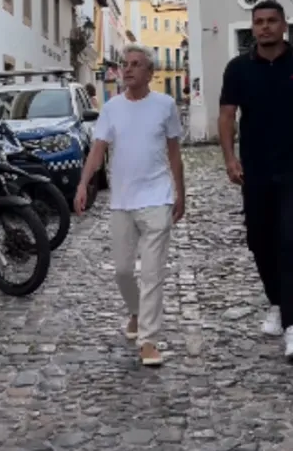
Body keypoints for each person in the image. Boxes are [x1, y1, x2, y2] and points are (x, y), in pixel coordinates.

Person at [218, 0, 293, 362]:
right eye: (259, 22)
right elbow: (227, 116)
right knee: (259, 240)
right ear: (252, 28)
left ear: (284, 25)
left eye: (272, 21)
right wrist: (229, 158)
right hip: (255, 170)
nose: (265, 27)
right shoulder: (238, 69)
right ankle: (276, 300)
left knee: (292, 241)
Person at [76, 44, 186, 368]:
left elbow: (175, 153)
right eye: (125, 64)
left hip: (157, 197)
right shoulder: (112, 108)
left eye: (136, 64)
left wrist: (181, 192)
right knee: (123, 271)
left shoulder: (165, 106)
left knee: (152, 273)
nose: (128, 69)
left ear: (150, 73)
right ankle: (136, 312)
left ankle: (149, 339)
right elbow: (98, 150)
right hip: (123, 201)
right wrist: (83, 183)